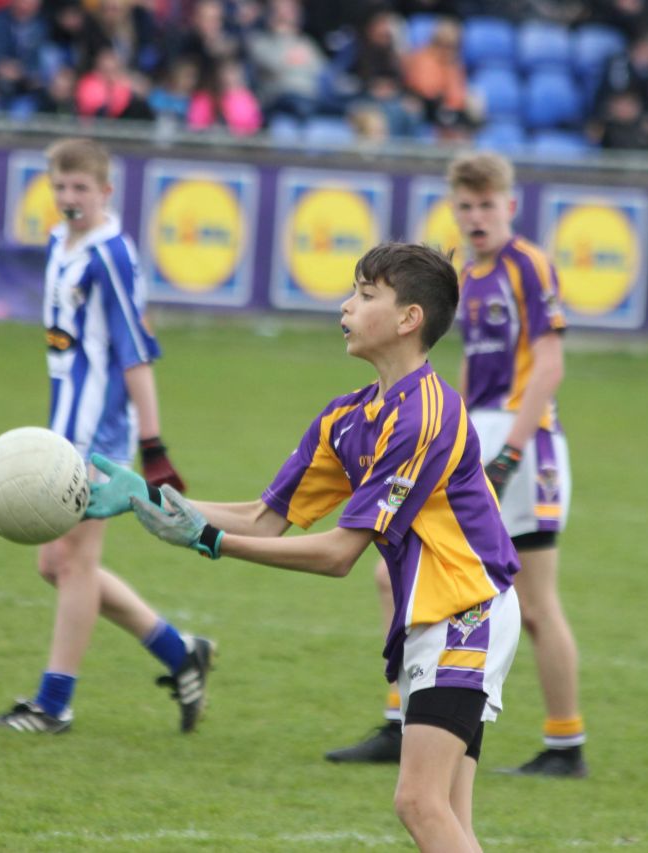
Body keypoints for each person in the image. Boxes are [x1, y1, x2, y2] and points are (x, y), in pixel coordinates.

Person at [86, 241, 522, 852]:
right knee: (447, 814)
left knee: (419, 802)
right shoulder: (348, 417)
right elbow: (264, 519)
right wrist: (148, 497)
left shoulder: (428, 414)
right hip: (444, 614)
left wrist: (210, 541)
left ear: (408, 319)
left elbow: (338, 555)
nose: (345, 306)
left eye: (365, 295)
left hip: (466, 612)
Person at [325, 153, 588, 779]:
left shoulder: (528, 264)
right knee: (399, 572)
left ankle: (564, 742)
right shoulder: (464, 273)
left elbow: (548, 365)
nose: (475, 217)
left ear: (510, 207)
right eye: (465, 206)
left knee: (533, 603)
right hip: (481, 434)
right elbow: (469, 365)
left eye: (487, 205)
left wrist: (511, 453)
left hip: (528, 442)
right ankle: (405, 716)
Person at [0, 138, 213, 735]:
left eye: (82, 188)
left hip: (101, 435)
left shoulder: (111, 256)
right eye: (60, 187)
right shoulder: (61, 242)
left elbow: (136, 353)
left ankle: (53, 706)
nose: (70, 198)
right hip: (64, 429)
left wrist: (153, 447)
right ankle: (181, 654)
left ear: (106, 192)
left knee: (76, 563)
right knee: (53, 564)